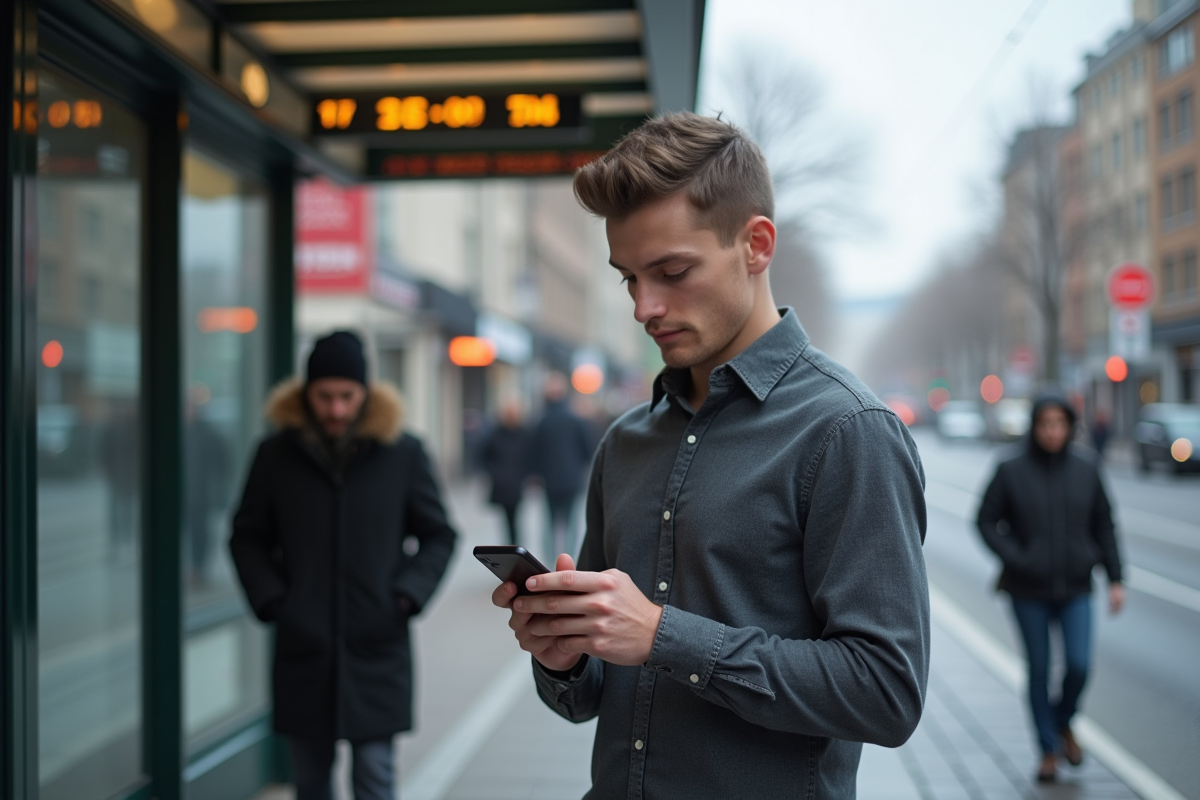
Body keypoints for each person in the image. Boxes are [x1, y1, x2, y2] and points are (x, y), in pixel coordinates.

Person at [490, 112, 930, 798]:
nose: (645, 307)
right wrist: (566, 658)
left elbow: (886, 693)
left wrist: (664, 636)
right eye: (629, 279)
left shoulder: (848, 431)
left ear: (755, 245)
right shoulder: (625, 442)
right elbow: (585, 702)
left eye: (671, 271)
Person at [229, 331, 457, 800]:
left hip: (378, 642)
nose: (335, 409)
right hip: (303, 644)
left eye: (346, 396)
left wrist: (406, 595)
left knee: (375, 778)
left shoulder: (403, 452)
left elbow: (439, 534)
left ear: (365, 394)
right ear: (306, 394)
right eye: (324, 396)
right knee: (310, 782)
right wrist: (274, 601)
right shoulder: (275, 454)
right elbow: (247, 536)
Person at [977, 394, 1125, 784]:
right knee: (1039, 670)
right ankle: (1047, 750)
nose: (1052, 431)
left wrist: (1115, 578)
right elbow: (985, 520)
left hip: (1076, 587)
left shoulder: (1087, 467)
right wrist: (1018, 558)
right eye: (1045, 424)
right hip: (1027, 591)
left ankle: (1062, 722)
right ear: (1034, 426)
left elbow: (1104, 524)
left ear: (1070, 426)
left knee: (1078, 665)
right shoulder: (1010, 468)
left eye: (1060, 424)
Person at [527, 372, 595, 558]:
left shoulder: (542, 421)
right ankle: (569, 559)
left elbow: (533, 452)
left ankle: (549, 561)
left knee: (549, 523)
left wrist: (535, 474)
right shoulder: (576, 420)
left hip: (549, 480)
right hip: (572, 479)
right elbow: (588, 450)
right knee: (571, 524)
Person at [481, 399, 531, 546]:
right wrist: (494, 473)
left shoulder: (524, 433)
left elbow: (529, 456)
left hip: (516, 482)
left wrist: (526, 474)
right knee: (507, 518)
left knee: (515, 517)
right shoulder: (495, 434)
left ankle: (515, 545)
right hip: (502, 483)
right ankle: (511, 544)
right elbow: (485, 456)